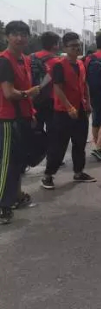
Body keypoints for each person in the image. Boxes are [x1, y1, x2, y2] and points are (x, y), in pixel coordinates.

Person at [41, 32, 96, 190]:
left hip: (80, 110)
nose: (77, 48)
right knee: (59, 145)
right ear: (64, 48)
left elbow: (84, 84)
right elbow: (57, 88)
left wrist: (88, 103)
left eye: (78, 45)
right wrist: (68, 107)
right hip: (63, 112)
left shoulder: (81, 64)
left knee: (79, 143)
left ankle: (78, 172)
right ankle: (48, 176)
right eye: (73, 46)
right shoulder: (59, 65)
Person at [0, 21, 40, 224]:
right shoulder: (4, 61)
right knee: (6, 164)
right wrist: (28, 93)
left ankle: (15, 196)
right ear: (7, 36)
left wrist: (31, 112)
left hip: (22, 117)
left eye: (23, 34)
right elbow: (8, 93)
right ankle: (2, 207)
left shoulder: (24, 59)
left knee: (17, 162)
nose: (19, 38)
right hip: (7, 119)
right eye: (15, 34)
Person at [31, 31, 60, 133]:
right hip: (50, 99)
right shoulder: (57, 61)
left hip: (33, 97)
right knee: (52, 130)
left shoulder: (31, 57)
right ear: (54, 45)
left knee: (36, 129)